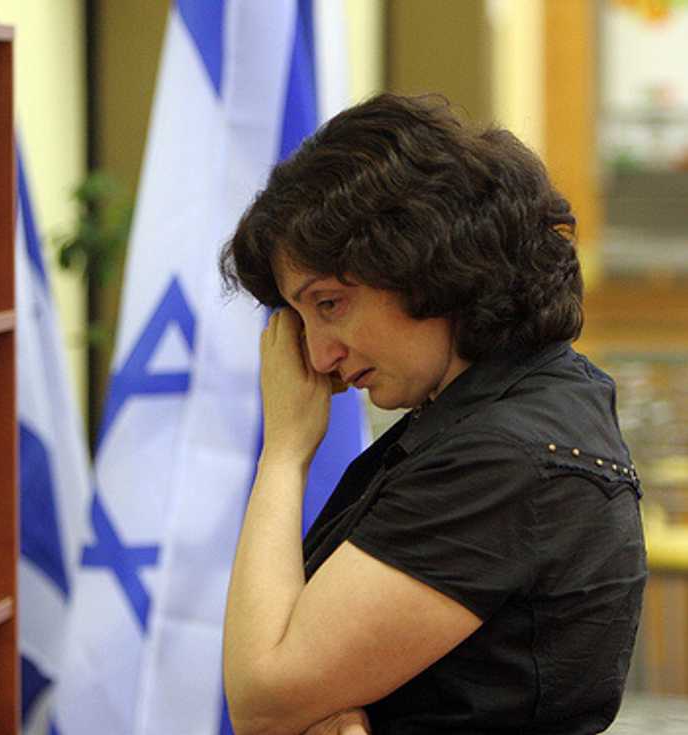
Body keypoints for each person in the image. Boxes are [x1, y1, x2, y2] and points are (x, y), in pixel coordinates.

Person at [219, 93, 647, 735]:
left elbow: (262, 701)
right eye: (301, 319)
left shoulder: (502, 456)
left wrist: (284, 451)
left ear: (422, 260)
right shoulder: (515, 405)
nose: (317, 354)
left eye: (329, 304)